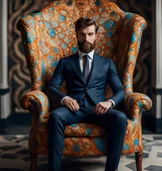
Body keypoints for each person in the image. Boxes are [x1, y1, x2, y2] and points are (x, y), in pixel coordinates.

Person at [46, 17, 128, 171]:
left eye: (90, 34)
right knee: (55, 116)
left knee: (121, 118)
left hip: (98, 109)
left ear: (96, 36)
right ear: (76, 35)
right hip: (73, 109)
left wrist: (108, 103)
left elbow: (120, 91)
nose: (86, 38)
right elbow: (51, 88)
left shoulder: (107, 63)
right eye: (82, 34)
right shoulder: (65, 62)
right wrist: (64, 99)